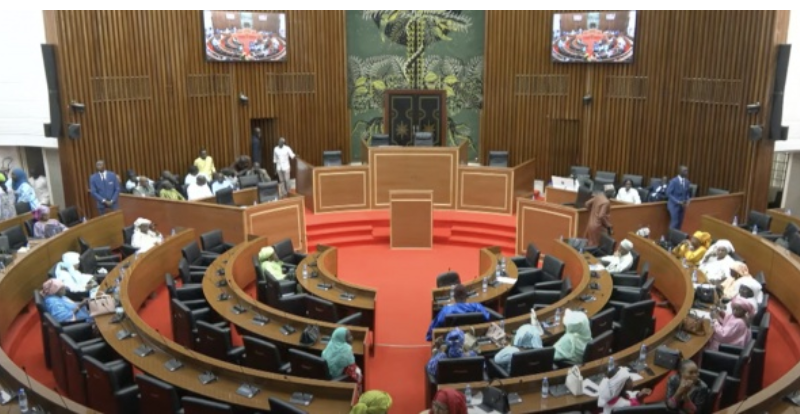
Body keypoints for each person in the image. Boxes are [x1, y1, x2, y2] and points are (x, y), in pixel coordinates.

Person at [426, 284, 491, 341]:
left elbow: (432, 331)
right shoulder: (477, 306)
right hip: (473, 339)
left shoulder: (446, 310)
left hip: (452, 341)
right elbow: (487, 318)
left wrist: (430, 337)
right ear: (466, 296)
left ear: (454, 297)